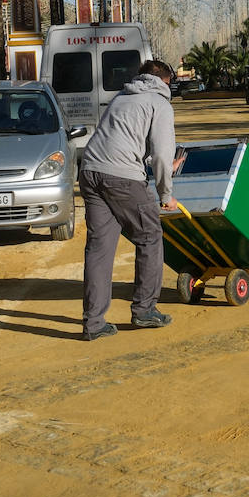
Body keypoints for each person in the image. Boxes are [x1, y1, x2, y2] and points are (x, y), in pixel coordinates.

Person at [78, 59, 181, 341]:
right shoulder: (160, 103)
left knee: (99, 249)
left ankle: (94, 324)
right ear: (165, 81)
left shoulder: (121, 98)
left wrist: (156, 166)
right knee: (149, 236)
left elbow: (124, 142)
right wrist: (166, 195)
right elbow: (161, 154)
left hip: (90, 172)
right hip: (121, 178)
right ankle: (145, 310)